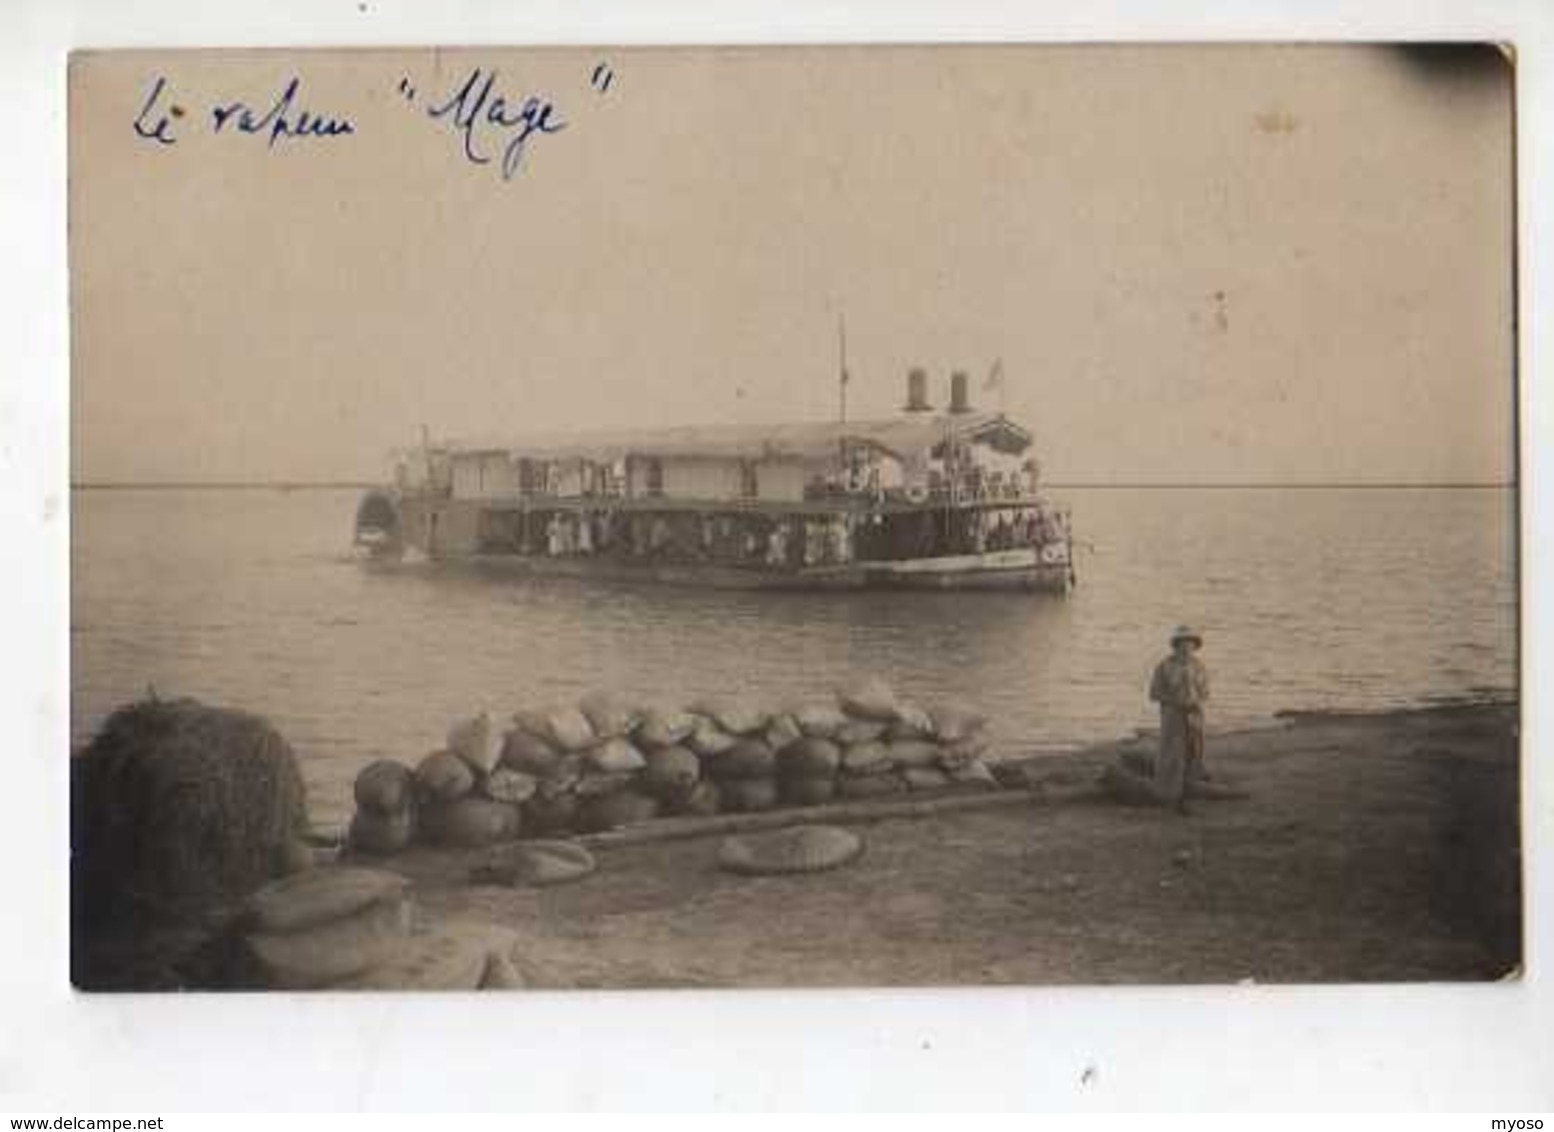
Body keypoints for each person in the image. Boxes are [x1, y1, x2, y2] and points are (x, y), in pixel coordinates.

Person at [1148, 625, 1210, 810]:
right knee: (1171, 754)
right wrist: (1175, 701)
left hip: (1194, 714)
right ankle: (1168, 795)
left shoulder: (1199, 666)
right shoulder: (1164, 666)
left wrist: (1195, 703)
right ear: (1176, 645)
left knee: (1194, 753)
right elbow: (1154, 693)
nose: (1186, 646)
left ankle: (1188, 793)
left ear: (1194, 645)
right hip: (1172, 715)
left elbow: (1205, 692)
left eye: (1190, 643)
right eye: (1183, 642)